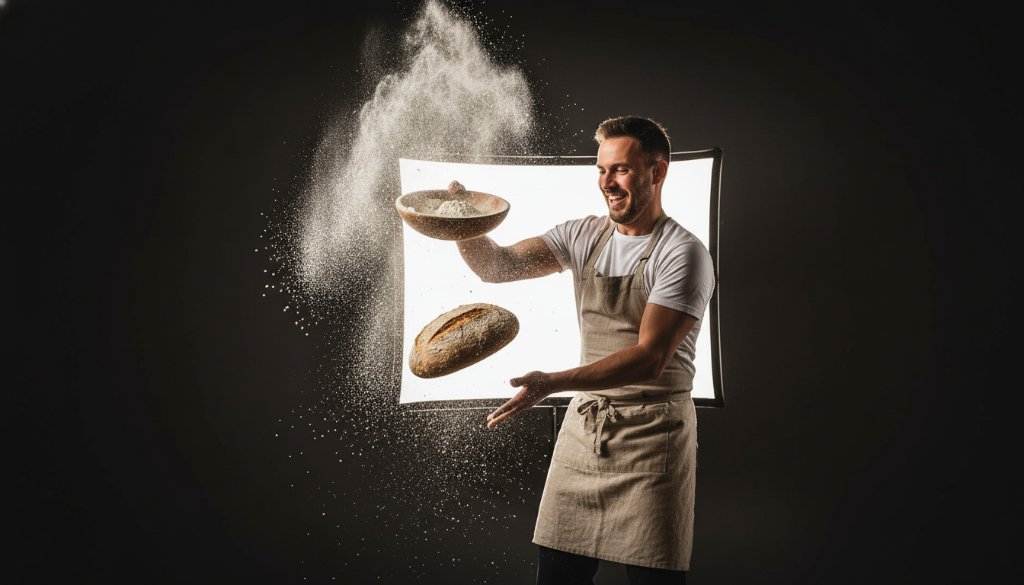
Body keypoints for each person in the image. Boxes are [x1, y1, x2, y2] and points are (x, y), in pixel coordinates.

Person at [456, 116, 716, 584]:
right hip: (586, 430)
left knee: (652, 579)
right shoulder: (584, 236)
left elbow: (650, 358)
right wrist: (461, 222)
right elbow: (497, 266)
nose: (606, 183)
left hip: (653, 436)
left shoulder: (683, 253)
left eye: (620, 170)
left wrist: (552, 383)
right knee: (557, 573)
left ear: (657, 173)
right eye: (601, 170)